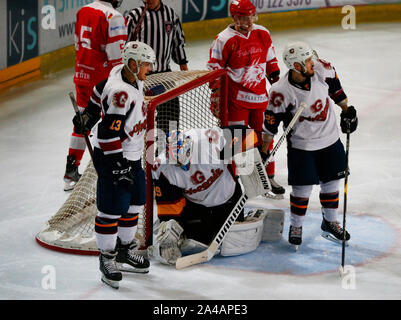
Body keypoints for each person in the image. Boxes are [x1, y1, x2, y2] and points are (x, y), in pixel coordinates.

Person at [73, 41, 156, 289]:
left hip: (130, 154)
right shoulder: (121, 94)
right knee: (111, 209)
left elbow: (99, 89)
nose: (149, 69)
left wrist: (88, 112)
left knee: (135, 202)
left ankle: (123, 250)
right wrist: (118, 165)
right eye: (146, 65)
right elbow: (108, 134)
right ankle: (107, 258)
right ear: (133, 64)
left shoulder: (123, 74)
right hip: (113, 155)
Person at [261, 41, 358, 249]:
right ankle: (296, 226)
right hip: (302, 146)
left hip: (330, 139)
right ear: (296, 66)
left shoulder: (322, 69)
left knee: (332, 181)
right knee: (302, 188)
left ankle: (330, 222)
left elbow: (337, 91)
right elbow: (271, 121)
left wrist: (347, 111)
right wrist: (264, 147)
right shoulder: (281, 90)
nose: (312, 62)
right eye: (306, 60)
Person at [148, 126, 280, 265]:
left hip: (227, 198)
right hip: (196, 206)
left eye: (183, 161)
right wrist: (170, 229)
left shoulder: (210, 141)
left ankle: (252, 218)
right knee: (199, 241)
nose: (183, 167)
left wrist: (251, 159)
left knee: (233, 239)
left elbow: (246, 133)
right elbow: (170, 206)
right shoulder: (163, 168)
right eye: (177, 164)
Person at [207, 0, 284, 198]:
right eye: (242, 17)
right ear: (234, 17)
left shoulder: (262, 33)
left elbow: (271, 61)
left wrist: (277, 86)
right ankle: (232, 182)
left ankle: (268, 177)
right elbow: (214, 68)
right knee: (235, 141)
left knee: (265, 138)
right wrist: (216, 95)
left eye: (250, 16)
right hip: (236, 101)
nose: (248, 21)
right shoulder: (223, 39)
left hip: (260, 99)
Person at [64, 0, 128, 191]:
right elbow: (117, 57)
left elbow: (77, 44)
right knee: (113, 123)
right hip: (103, 81)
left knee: (83, 121)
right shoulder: (113, 16)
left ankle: (71, 170)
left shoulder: (84, 10)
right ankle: (112, 169)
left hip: (82, 74)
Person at [126, 0, 188, 136]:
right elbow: (125, 46)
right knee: (136, 119)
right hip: (141, 77)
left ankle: (165, 150)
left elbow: (178, 42)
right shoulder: (135, 16)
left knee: (171, 116)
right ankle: (138, 152)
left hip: (165, 75)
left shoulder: (171, 15)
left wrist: (183, 64)